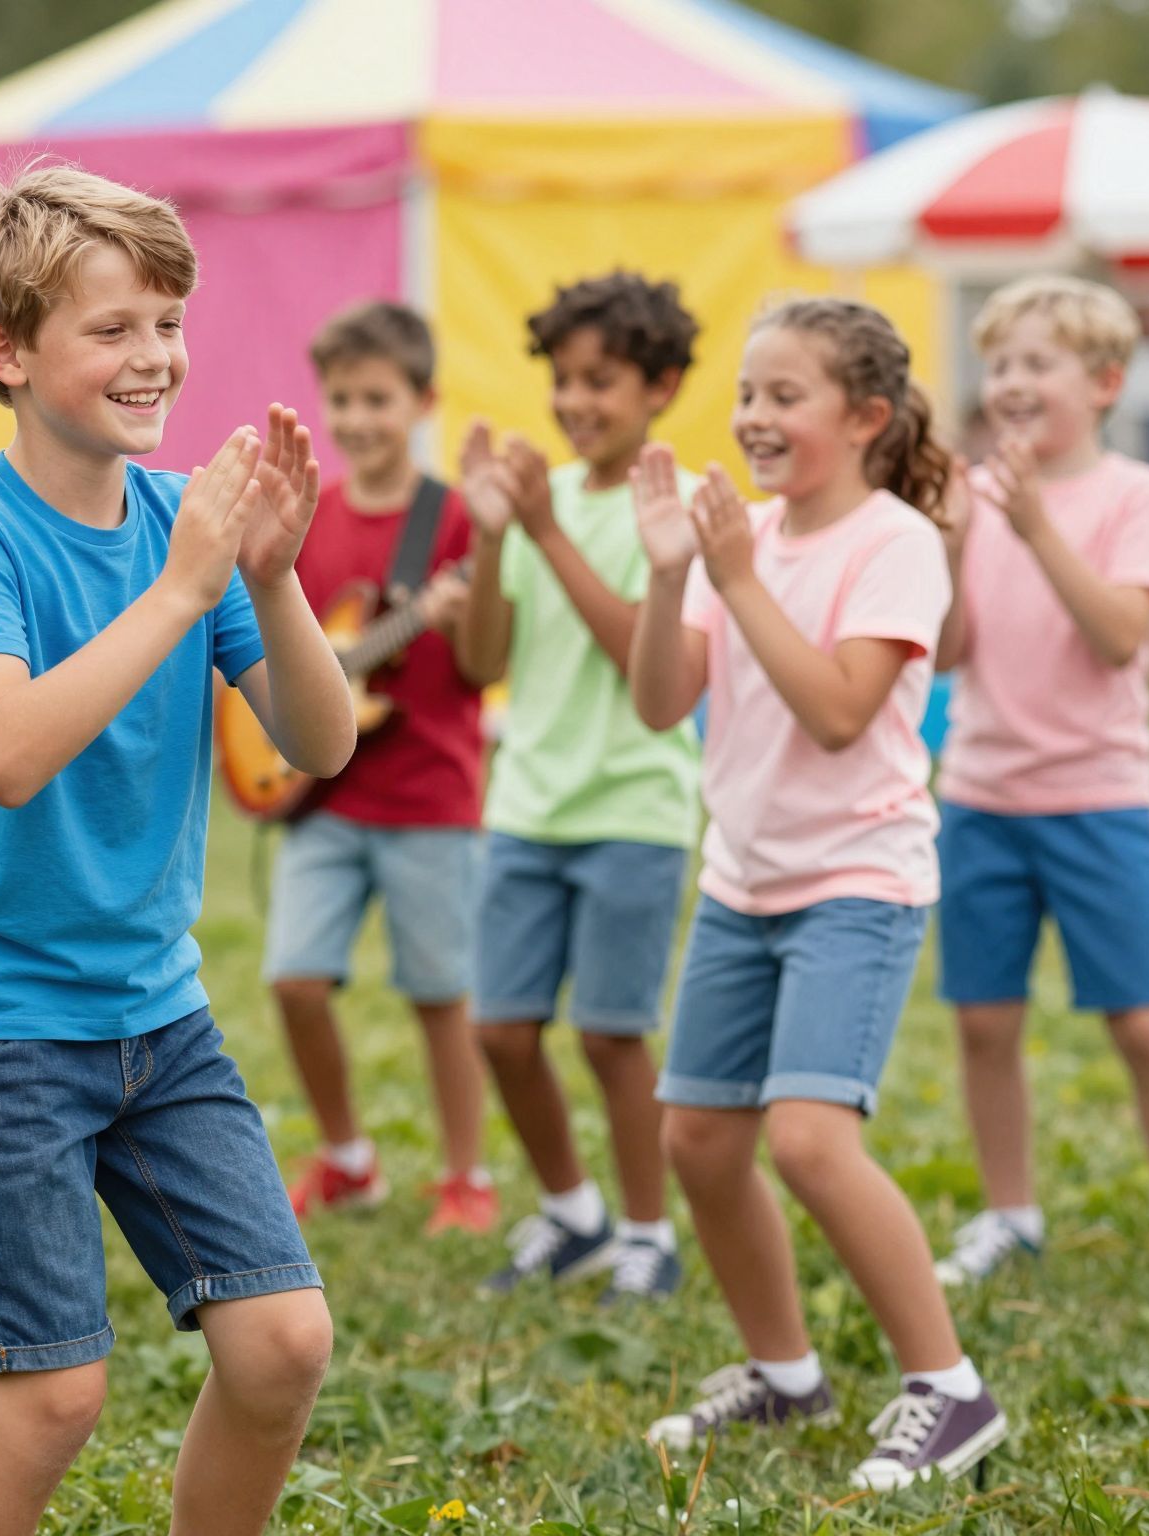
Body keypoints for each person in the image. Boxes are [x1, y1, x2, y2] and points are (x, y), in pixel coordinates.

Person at [0, 163, 355, 1536]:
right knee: (50, 1397)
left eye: (168, 322)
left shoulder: (181, 531)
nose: (154, 356)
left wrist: (264, 575)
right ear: (7, 353)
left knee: (282, 1345)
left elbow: (320, 741)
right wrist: (182, 590)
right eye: (112, 329)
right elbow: (4, 753)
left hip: (156, 1015)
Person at [627, 298, 1005, 1490]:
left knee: (807, 1140)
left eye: (783, 396)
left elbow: (840, 713)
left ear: (864, 418)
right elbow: (658, 701)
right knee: (697, 1141)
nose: (751, 416)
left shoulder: (891, 544)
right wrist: (669, 577)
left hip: (856, 880)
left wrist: (734, 579)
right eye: (746, 394)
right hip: (740, 882)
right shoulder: (738, 542)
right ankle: (784, 1374)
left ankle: (947, 1389)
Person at [458, 273, 701, 1300]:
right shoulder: (536, 502)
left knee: (611, 1035)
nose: (572, 402)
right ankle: (573, 1213)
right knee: (500, 1031)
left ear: (661, 386)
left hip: (633, 811)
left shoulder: (674, 509)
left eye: (598, 381)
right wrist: (489, 534)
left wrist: (545, 532)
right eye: (562, 380)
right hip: (525, 808)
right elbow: (481, 660)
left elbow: (645, 663)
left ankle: (647, 1231)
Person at [930, 276, 1149, 1284]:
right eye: (998, 364)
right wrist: (952, 543)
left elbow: (1120, 638)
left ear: (1105, 381)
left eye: (1037, 362)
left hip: (1099, 800)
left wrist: (1033, 527)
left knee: (1144, 1026)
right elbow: (947, 651)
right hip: (980, 797)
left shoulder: (1135, 496)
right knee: (983, 1019)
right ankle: (1008, 1214)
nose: (1010, 382)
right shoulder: (977, 499)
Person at [266, 300, 495, 1236]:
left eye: (379, 399)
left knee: (440, 996)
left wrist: (450, 612)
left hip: (430, 796)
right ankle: (348, 1159)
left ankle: (467, 1177)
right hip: (324, 798)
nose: (357, 419)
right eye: (343, 399)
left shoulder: (458, 520)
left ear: (424, 402)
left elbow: (485, 664)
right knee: (293, 981)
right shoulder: (310, 520)